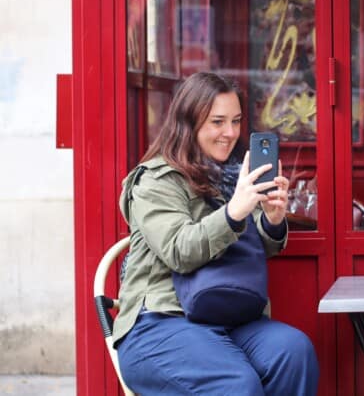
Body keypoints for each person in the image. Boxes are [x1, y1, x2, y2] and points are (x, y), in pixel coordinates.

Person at [113, 72, 319, 395]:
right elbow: (180, 250)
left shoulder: (233, 174)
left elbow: (252, 248)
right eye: (218, 122)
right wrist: (234, 211)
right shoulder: (155, 180)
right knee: (237, 384)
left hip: (225, 317)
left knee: (294, 352)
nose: (231, 133)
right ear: (188, 123)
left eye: (236, 121)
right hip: (159, 323)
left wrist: (272, 219)